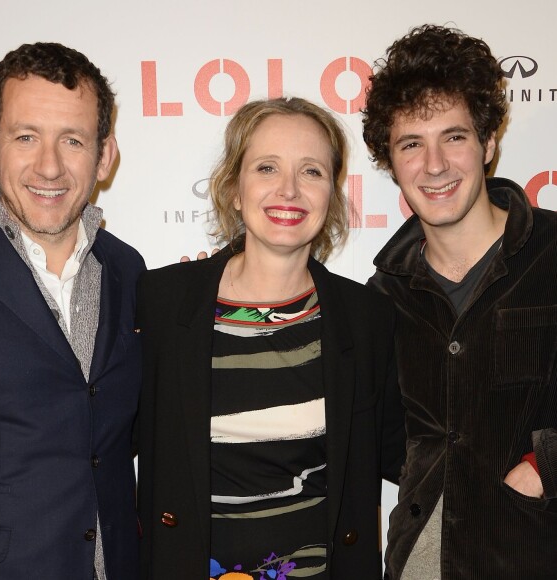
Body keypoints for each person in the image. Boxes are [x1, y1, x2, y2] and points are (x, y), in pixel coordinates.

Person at [136, 97, 405, 579]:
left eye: (312, 172)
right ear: (234, 189)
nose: (289, 190)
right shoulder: (160, 303)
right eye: (266, 167)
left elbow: (408, 453)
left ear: (333, 193)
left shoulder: (366, 316)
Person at [363, 24, 557, 580]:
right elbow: (385, 445)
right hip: (421, 563)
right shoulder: (382, 297)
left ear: (488, 143)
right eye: (410, 144)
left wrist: (545, 464)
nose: (435, 164)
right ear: (390, 161)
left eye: (453, 136)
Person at [0, 42, 144, 579]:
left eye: (72, 140)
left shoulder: (128, 270)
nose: (49, 166)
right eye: (25, 137)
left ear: (104, 155)